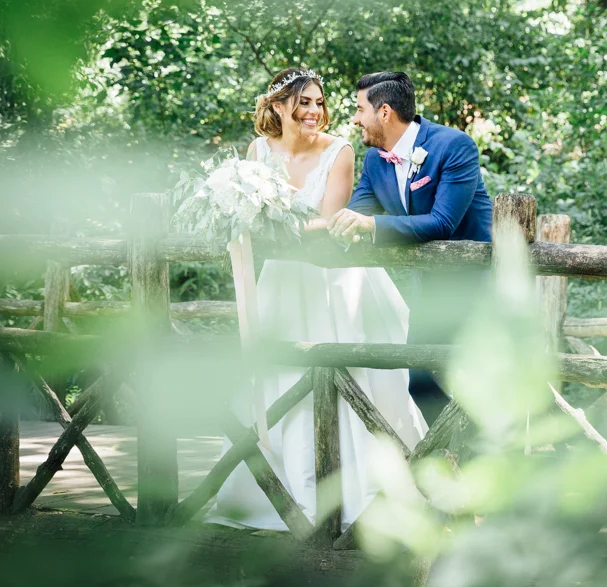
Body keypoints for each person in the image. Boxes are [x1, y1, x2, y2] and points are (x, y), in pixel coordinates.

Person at [205, 68, 428, 532]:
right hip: (282, 282)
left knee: (343, 378)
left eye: (319, 103)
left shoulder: (340, 152)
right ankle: (279, 491)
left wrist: (271, 223)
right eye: (303, 102)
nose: (314, 112)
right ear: (278, 107)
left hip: (334, 284)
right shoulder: (257, 153)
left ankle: (351, 495)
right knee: (279, 377)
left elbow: (330, 226)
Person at [328, 71, 493, 419]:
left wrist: (371, 225)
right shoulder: (375, 160)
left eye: (360, 109)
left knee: (481, 382)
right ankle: (465, 459)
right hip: (428, 289)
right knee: (420, 382)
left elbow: (442, 222)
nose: (356, 118)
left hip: (476, 288)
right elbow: (357, 213)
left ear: (384, 112)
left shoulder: (453, 146)